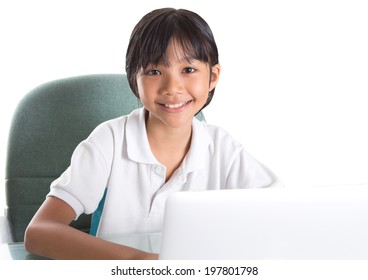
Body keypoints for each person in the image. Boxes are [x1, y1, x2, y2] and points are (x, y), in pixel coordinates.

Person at [24, 7, 282, 260]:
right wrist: (141, 263)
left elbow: (281, 213)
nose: (172, 88)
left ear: (213, 76)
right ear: (134, 80)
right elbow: (39, 232)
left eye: (188, 70)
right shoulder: (109, 141)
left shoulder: (223, 148)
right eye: (154, 72)